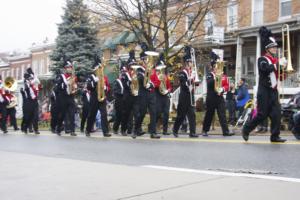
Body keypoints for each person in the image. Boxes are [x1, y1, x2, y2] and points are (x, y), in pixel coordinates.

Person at [242, 26, 287, 142]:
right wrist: (278, 65)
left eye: (275, 47)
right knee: (262, 114)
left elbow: (280, 77)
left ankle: (275, 136)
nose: (275, 49)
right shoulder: (262, 59)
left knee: (276, 113)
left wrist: (285, 70)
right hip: (264, 90)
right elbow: (265, 69)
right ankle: (246, 129)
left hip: (273, 90)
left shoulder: (276, 61)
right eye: (273, 47)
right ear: (267, 49)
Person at [202, 51, 234, 137]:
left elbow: (227, 86)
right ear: (213, 67)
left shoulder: (224, 76)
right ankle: (205, 130)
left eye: (219, 66)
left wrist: (223, 88)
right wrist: (217, 77)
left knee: (222, 115)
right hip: (211, 97)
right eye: (216, 66)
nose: (218, 68)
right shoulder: (210, 75)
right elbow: (209, 83)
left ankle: (225, 131)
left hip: (220, 97)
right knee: (209, 114)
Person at [133, 43, 161, 139]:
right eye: (145, 59)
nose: (146, 61)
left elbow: (157, 81)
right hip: (143, 94)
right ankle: (136, 129)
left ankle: (153, 132)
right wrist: (147, 81)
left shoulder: (152, 70)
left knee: (154, 112)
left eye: (147, 59)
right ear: (142, 60)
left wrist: (152, 84)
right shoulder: (140, 69)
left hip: (151, 93)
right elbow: (140, 78)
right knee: (142, 112)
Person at [172, 46, 198, 138]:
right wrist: (191, 79)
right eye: (190, 62)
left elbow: (194, 84)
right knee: (181, 115)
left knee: (192, 115)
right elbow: (184, 84)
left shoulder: (192, 72)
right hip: (184, 96)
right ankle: (175, 130)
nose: (192, 63)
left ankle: (192, 132)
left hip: (191, 95)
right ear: (187, 62)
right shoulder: (182, 73)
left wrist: (196, 81)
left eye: (191, 61)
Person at [85, 55, 111, 137]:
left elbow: (107, 88)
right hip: (94, 97)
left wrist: (105, 88)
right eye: (98, 68)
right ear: (95, 69)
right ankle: (88, 130)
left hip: (102, 97)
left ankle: (105, 132)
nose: (100, 69)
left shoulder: (103, 77)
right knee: (92, 115)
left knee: (104, 114)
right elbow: (88, 86)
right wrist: (95, 81)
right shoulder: (91, 77)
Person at [55, 60, 77, 136]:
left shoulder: (73, 76)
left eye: (70, 67)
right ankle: (58, 129)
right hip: (63, 98)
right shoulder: (62, 76)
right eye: (68, 68)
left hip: (71, 97)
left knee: (72, 114)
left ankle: (72, 130)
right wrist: (65, 85)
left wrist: (75, 86)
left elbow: (74, 85)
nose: (70, 69)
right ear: (65, 69)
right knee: (62, 114)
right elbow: (57, 87)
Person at [155, 53, 172, 135]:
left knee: (166, 113)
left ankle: (165, 130)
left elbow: (169, 86)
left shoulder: (165, 76)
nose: (161, 70)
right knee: (157, 113)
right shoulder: (154, 76)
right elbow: (154, 85)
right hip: (157, 96)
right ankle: (154, 129)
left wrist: (168, 90)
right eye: (160, 68)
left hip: (165, 96)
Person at [22, 68, 41, 134]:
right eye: (30, 78)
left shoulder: (33, 84)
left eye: (31, 78)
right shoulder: (26, 83)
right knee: (29, 116)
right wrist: (31, 83)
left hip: (35, 101)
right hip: (29, 102)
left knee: (35, 116)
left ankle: (36, 129)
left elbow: (39, 88)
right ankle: (25, 128)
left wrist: (38, 86)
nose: (31, 79)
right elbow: (26, 89)